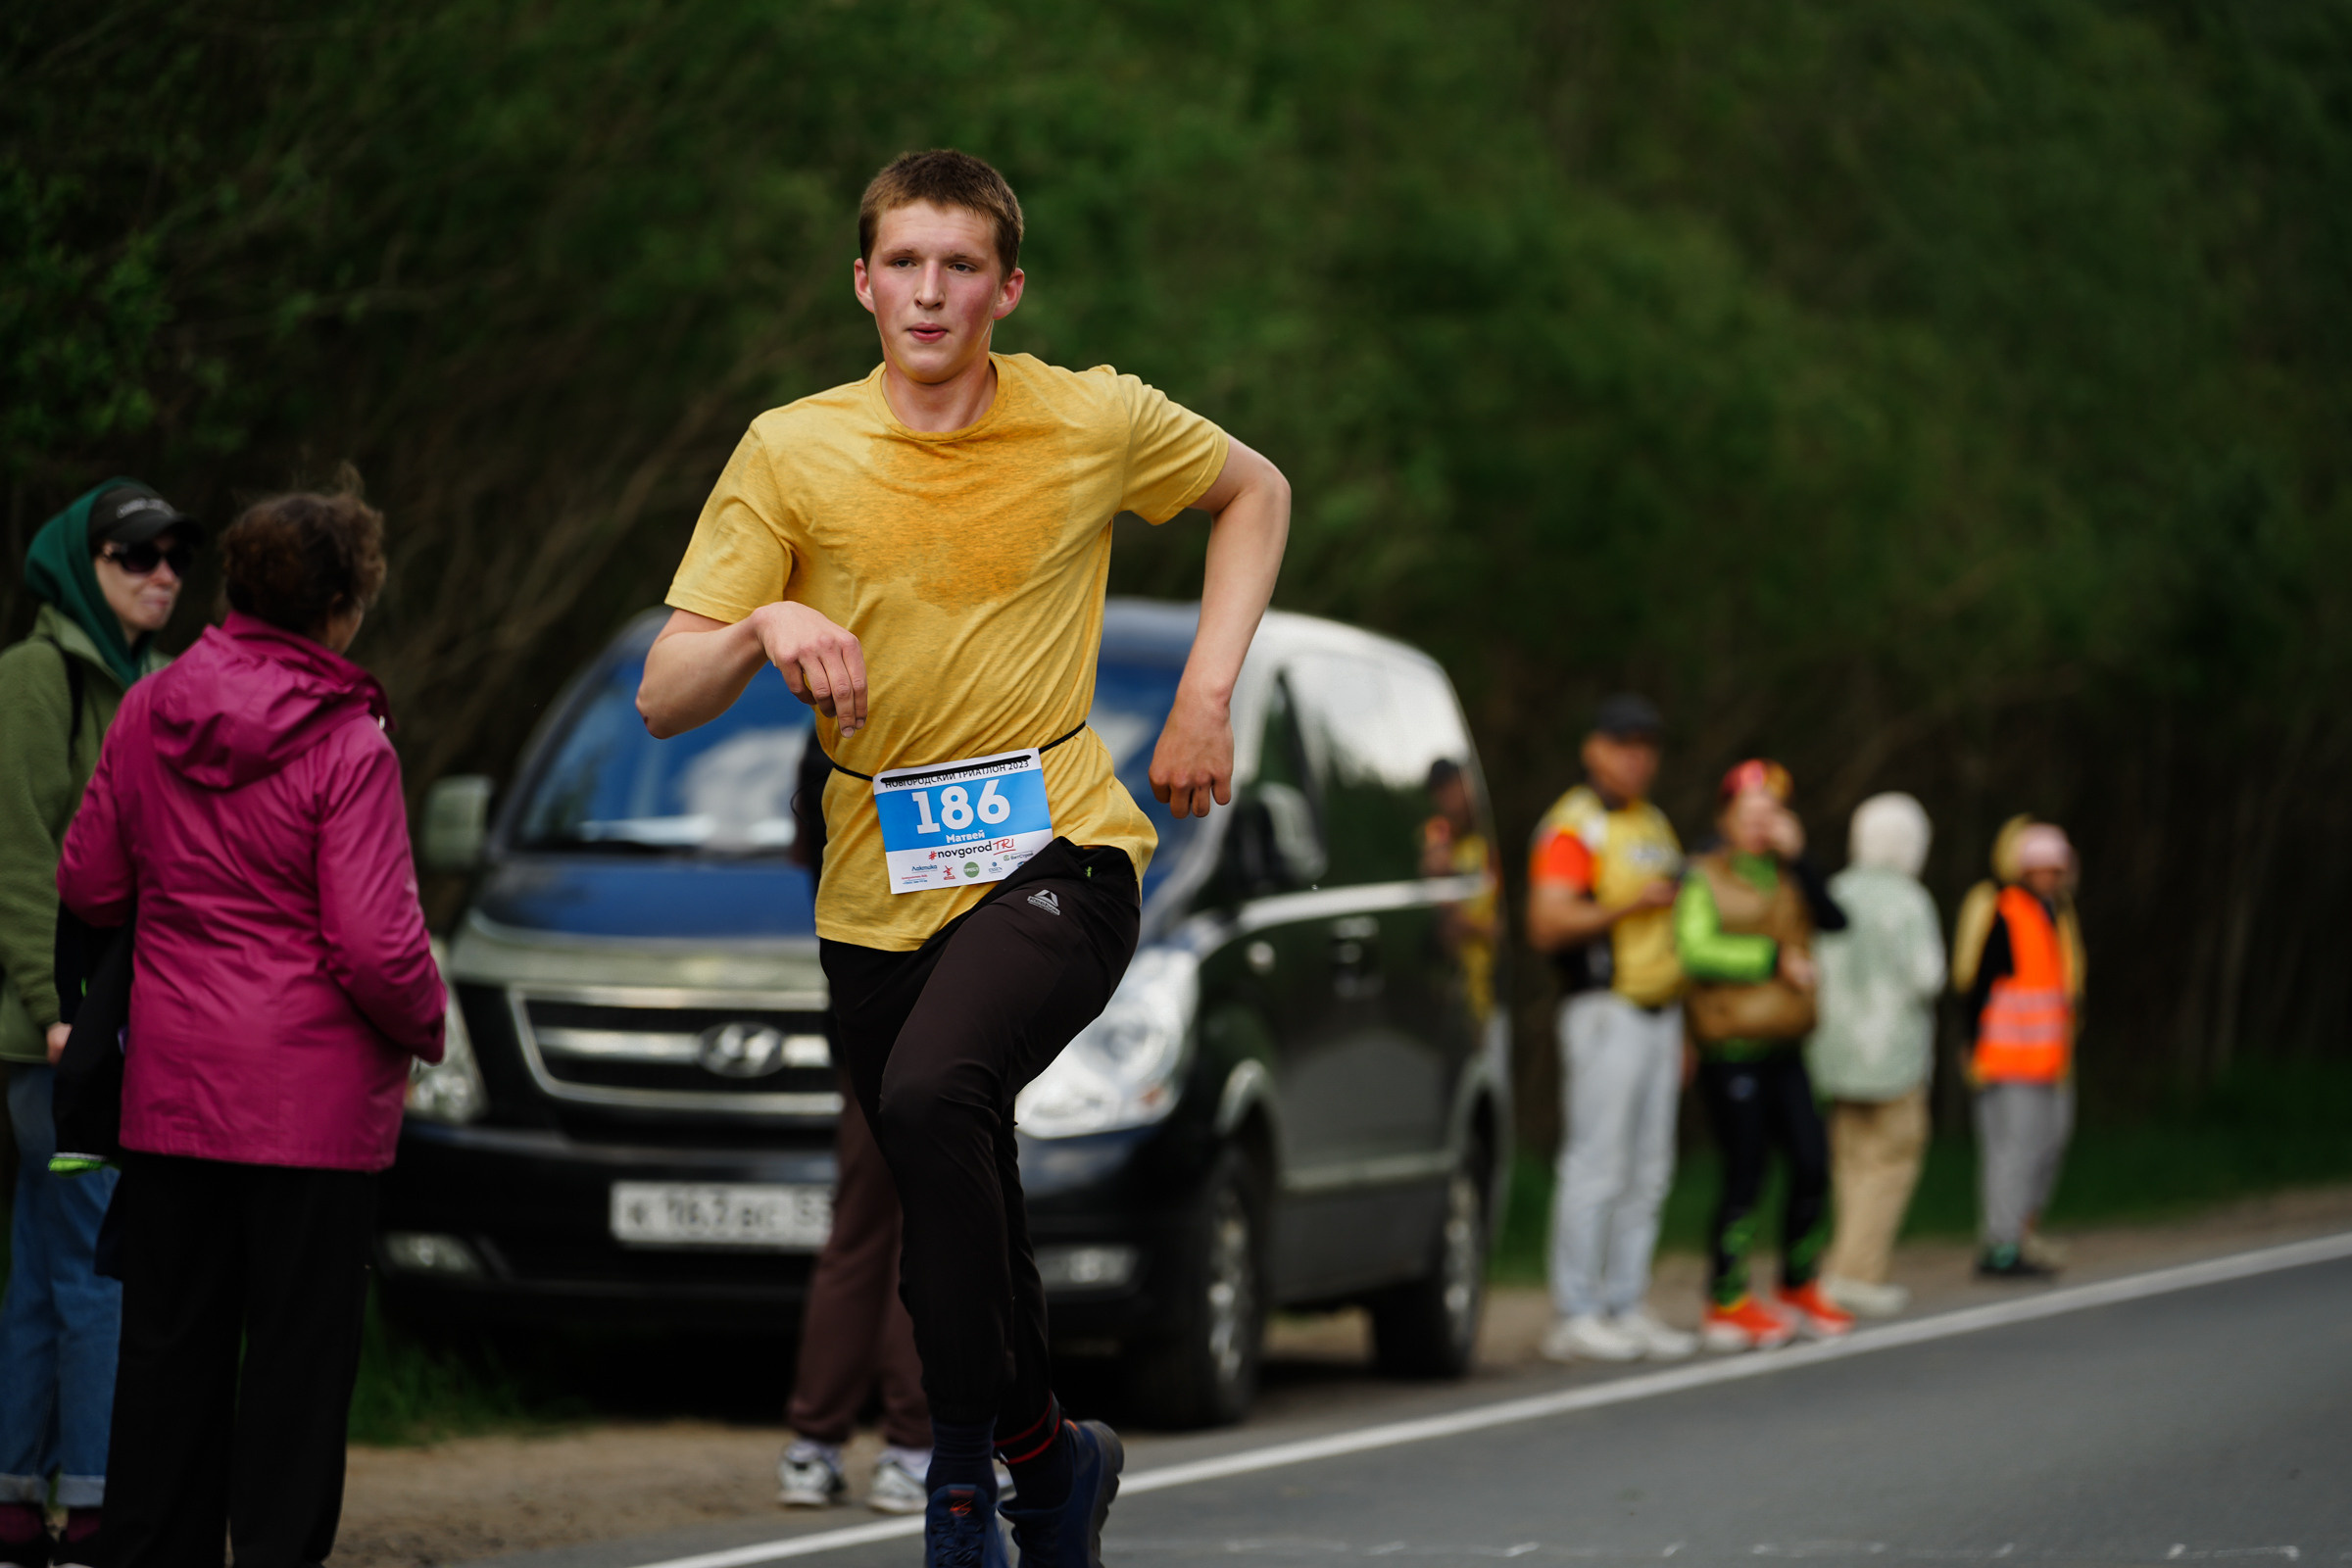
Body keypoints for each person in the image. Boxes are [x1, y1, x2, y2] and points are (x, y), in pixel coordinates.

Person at [634, 149, 1288, 1568]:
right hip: (877, 879)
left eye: (962, 266)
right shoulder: (790, 449)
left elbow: (1259, 492)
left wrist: (1205, 693)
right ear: (863, 281)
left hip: (1061, 842)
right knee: (954, 1161)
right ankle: (1053, 1460)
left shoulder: (1094, 416)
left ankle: (957, 1495)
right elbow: (664, 693)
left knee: (933, 1094)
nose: (932, 292)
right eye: (906, 264)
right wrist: (757, 630)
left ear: (1007, 286)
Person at [56, 487, 447, 1568]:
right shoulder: (349, 743)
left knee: (167, 1360)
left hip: (176, 1095)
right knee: (294, 1373)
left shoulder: (148, 709)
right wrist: (428, 1021)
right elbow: (374, 946)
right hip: (314, 1117)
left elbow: (88, 879)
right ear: (340, 607)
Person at [0, 480, 193, 1568]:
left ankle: (19, 1504)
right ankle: (98, 1501)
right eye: (137, 554)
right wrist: (58, 1012)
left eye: (174, 553)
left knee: (40, 1258)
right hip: (59, 1035)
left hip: (98, 1028)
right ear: (86, 564)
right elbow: (20, 853)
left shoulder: (149, 682)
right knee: (91, 1259)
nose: (163, 571)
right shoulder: (34, 677)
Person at [777, 739, 935, 1517]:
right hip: (935, 1013)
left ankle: (814, 1446)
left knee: (860, 1227)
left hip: (857, 1012)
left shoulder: (826, 742)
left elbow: (808, 850)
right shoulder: (935, 731)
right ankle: (913, 1448)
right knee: (930, 1223)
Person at [1525, 694, 1695, 1364]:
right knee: (1596, 1165)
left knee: (1649, 1168)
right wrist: (1628, 905)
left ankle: (1626, 1300)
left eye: (1648, 746)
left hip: (1660, 1010)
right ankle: (1576, 1311)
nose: (1638, 758)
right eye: (1626, 744)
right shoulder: (1576, 826)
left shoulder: (1654, 823)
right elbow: (1547, 922)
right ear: (1594, 749)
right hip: (1603, 1007)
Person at [1674, 760, 1852, 1350]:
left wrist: (1803, 859)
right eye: (1749, 814)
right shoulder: (1702, 874)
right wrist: (1771, 959)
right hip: (1732, 1049)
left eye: (1771, 814)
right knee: (1746, 1171)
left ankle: (1800, 1280)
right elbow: (1695, 948)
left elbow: (1835, 919)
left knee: (1812, 1161)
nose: (1760, 825)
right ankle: (1725, 1296)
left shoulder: (1790, 873)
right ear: (1725, 817)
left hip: (1788, 1045)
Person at [1808, 792, 1945, 1318]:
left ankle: (1845, 1261)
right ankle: (1857, 1273)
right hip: (1891, 1055)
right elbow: (1927, 976)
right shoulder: (1908, 900)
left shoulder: (1837, 890)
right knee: (1891, 1159)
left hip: (1837, 1053)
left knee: (1851, 1161)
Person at [1961, 822, 2082, 1280]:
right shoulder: (2004, 911)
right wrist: (1971, 1047)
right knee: (2011, 1152)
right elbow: (1976, 985)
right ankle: (2001, 1245)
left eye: (2056, 870)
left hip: (2049, 1058)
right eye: (2041, 869)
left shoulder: (2054, 913)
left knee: (2046, 1146)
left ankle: (2020, 1232)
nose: (2049, 878)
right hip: (2008, 1058)